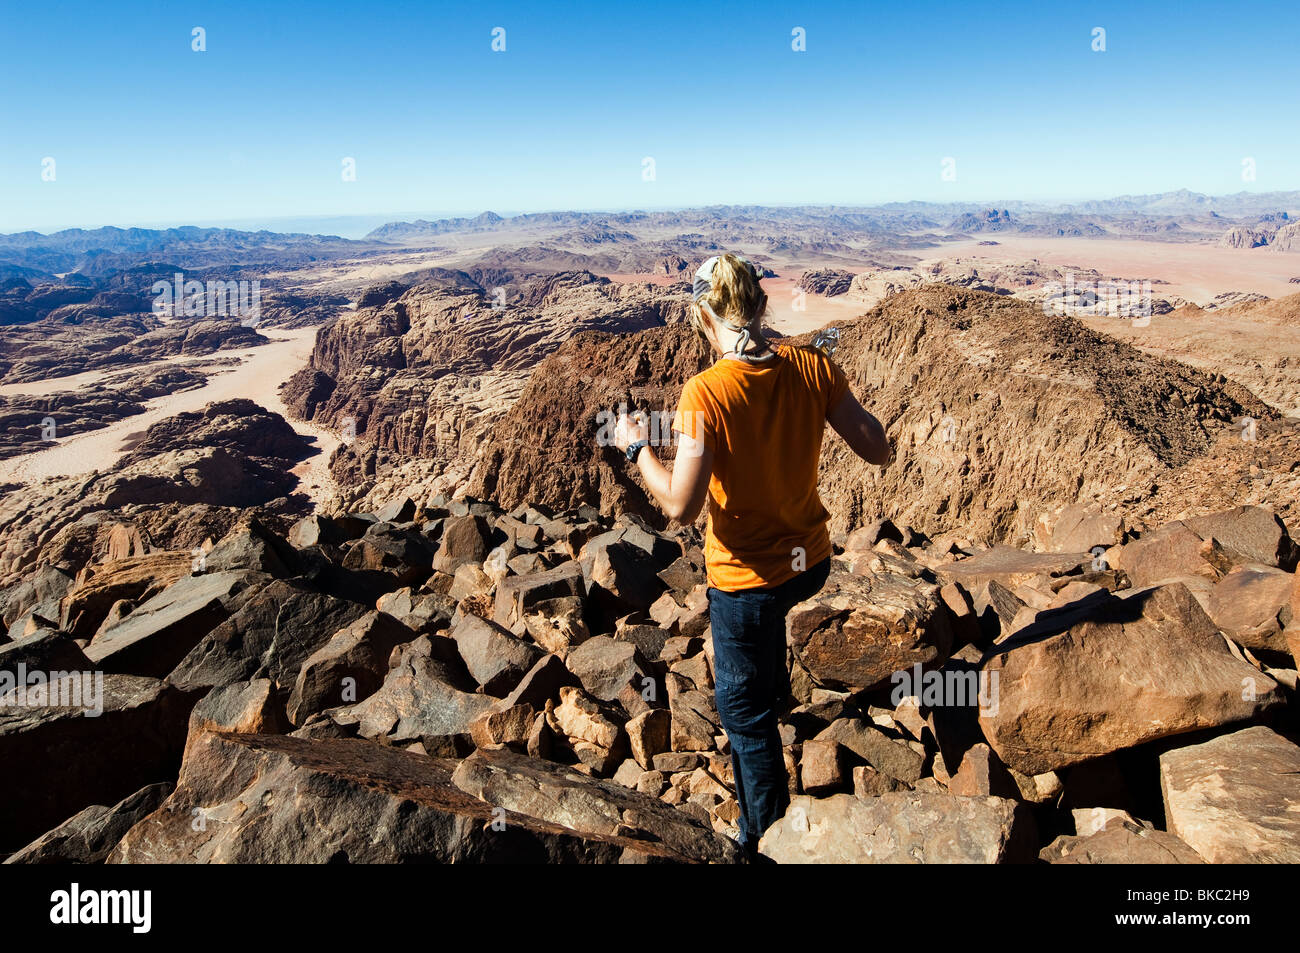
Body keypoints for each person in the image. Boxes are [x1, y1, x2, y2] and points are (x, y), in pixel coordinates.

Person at [613, 253, 892, 857]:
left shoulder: (705, 394)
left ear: (701, 316)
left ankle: (764, 842)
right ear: (761, 306)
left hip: (745, 580)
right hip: (810, 563)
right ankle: (782, 696)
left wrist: (639, 449)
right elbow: (877, 449)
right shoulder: (814, 365)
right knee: (769, 651)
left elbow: (681, 508)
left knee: (744, 716)